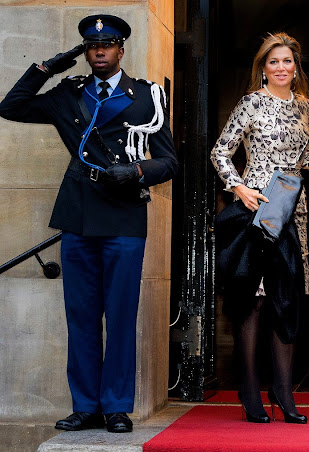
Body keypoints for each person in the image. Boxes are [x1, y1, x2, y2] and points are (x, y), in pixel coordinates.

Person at [0, 15, 178, 433]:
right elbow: (10, 106)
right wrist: (49, 67)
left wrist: (136, 172)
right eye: (90, 45)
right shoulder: (67, 93)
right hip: (79, 215)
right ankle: (85, 406)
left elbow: (169, 161)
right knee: (80, 316)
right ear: (84, 51)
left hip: (123, 217)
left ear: (121, 50)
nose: (99, 51)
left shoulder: (147, 96)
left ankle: (115, 406)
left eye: (108, 44)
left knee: (119, 315)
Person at [211, 32, 309, 424]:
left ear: (296, 66)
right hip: (257, 209)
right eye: (273, 62)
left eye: (286, 61)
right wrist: (238, 186)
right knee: (254, 300)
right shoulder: (250, 102)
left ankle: (284, 391)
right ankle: (250, 389)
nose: (280, 67)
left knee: (286, 299)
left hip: (295, 210)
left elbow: (304, 156)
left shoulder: (304, 107)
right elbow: (220, 151)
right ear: (263, 68)